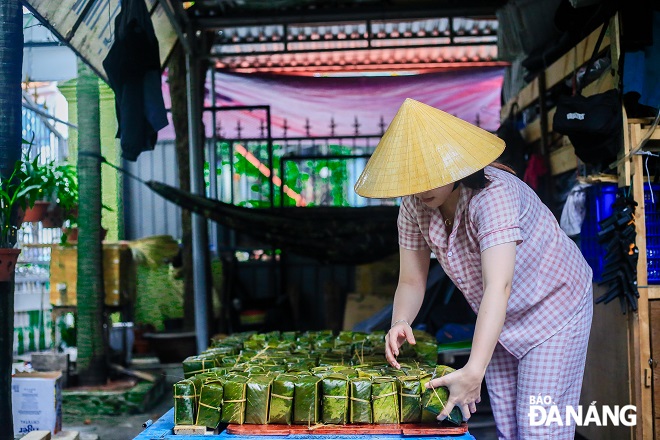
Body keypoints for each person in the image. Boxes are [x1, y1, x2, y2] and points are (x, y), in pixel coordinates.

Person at [354, 98, 593, 439]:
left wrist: (473, 370)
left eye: (429, 175)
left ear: (454, 162)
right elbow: (410, 279)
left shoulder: (493, 196)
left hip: (554, 309)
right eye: (412, 177)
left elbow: (499, 287)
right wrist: (400, 321)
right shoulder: (412, 207)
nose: (419, 188)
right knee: (510, 428)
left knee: (539, 429)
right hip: (501, 318)